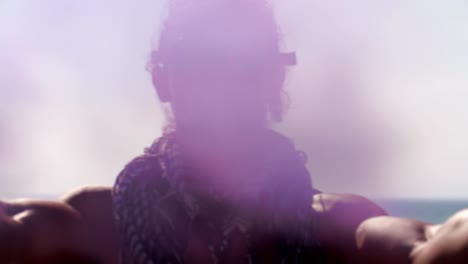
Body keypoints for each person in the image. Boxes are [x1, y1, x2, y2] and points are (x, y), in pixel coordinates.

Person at [111, 0, 385, 263]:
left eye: (246, 59)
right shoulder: (99, 225)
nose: (223, 81)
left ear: (275, 78)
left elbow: (416, 246)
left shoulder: (340, 229)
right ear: (161, 80)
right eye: (196, 58)